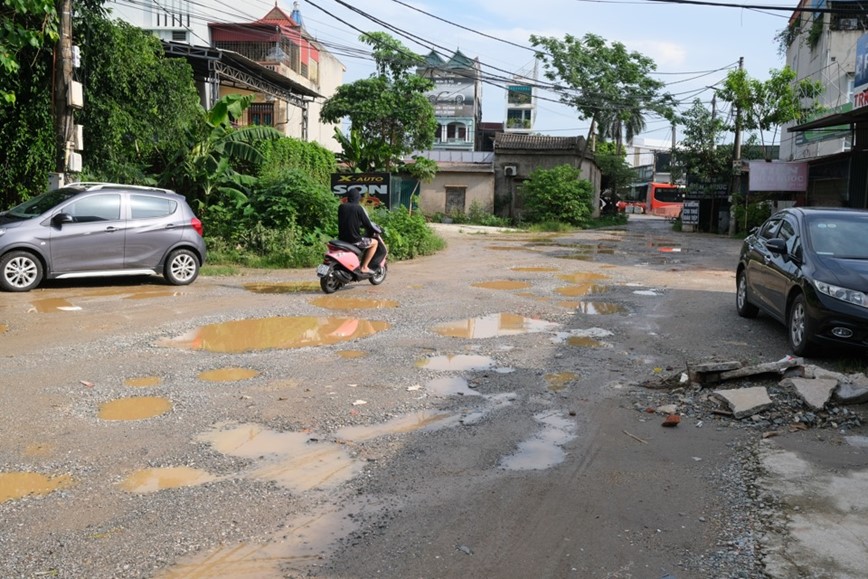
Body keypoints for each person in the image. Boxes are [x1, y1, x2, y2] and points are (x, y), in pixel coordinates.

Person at [338, 186, 379, 275]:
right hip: (354, 240)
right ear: (357, 198)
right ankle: (364, 267)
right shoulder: (358, 208)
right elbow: (367, 224)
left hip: (342, 239)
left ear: (348, 198)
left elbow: (348, 219)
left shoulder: (341, 207)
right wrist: (373, 231)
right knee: (375, 242)